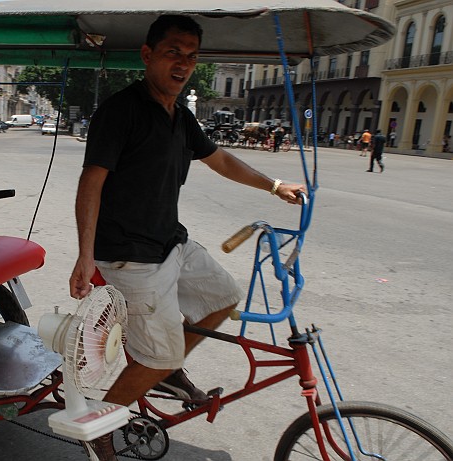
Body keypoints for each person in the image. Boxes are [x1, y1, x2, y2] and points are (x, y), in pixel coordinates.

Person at [68, 15, 305, 461]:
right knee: (155, 356)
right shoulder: (122, 111)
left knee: (223, 297)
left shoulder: (179, 116)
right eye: (173, 52)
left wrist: (274, 186)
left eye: (192, 56)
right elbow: (90, 184)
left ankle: (167, 370)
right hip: (128, 256)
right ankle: (98, 422)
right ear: (148, 55)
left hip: (169, 243)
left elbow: (221, 161)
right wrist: (85, 257)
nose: (183, 63)